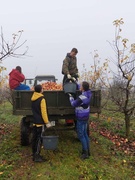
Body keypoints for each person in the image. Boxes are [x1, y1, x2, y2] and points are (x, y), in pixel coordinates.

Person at [69, 81, 92, 160]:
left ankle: (85, 153)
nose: (80, 87)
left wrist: (70, 97)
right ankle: (88, 151)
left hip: (81, 117)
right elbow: (80, 86)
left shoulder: (82, 97)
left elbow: (73, 104)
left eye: (81, 86)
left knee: (81, 135)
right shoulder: (89, 93)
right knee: (85, 134)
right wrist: (74, 81)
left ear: (83, 88)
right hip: (86, 116)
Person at [31, 84, 52, 162]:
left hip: (35, 121)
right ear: (40, 90)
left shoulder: (33, 98)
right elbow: (44, 112)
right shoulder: (42, 99)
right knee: (39, 139)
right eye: (42, 88)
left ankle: (34, 153)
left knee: (35, 138)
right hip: (40, 122)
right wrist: (47, 122)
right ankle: (37, 156)